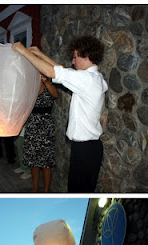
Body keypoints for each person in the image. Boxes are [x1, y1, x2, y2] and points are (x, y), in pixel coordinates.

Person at [13, 36, 107, 192]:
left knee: (79, 191)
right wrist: (41, 55)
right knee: (77, 189)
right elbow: (64, 72)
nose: (73, 61)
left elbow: (54, 72)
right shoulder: (92, 78)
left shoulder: (88, 80)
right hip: (85, 148)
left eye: (75, 57)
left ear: (86, 56)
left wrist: (23, 52)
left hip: (86, 149)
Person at [23, 74, 59, 192]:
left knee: (46, 161)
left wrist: (46, 82)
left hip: (45, 126)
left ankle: (46, 190)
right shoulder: (30, 86)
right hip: (32, 124)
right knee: (33, 160)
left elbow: (56, 95)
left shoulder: (49, 85)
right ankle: (35, 188)